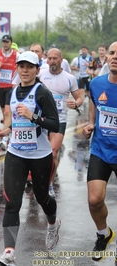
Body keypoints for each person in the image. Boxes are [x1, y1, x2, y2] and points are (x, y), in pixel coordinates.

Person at [0, 51, 60, 265]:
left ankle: (52, 224)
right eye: (21, 66)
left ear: (37, 70)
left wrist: (34, 116)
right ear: (17, 69)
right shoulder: (12, 93)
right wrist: (7, 131)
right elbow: (20, 122)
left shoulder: (42, 93)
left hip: (40, 156)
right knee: (12, 203)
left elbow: (54, 124)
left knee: (42, 198)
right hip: (15, 154)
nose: (25, 70)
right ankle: (9, 252)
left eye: (29, 67)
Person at [82, 41, 117, 262]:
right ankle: (104, 234)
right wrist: (90, 124)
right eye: (113, 53)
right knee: (94, 200)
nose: (115, 56)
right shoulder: (96, 84)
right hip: (101, 150)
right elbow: (95, 106)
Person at [38, 48, 84, 198]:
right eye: (49, 58)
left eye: (54, 58)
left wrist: (76, 104)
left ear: (61, 60)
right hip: (42, 120)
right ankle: (40, 179)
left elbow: (79, 97)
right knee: (39, 154)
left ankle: (49, 183)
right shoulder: (40, 75)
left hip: (59, 120)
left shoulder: (69, 78)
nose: (51, 61)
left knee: (53, 153)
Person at [0, 34, 19, 125]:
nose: (5, 44)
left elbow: (20, 68)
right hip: (0, 86)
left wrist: (16, 82)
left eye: (7, 42)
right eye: (4, 42)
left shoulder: (16, 55)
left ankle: (7, 132)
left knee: (7, 111)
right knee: (4, 111)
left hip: (11, 86)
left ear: (11, 43)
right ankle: (9, 127)